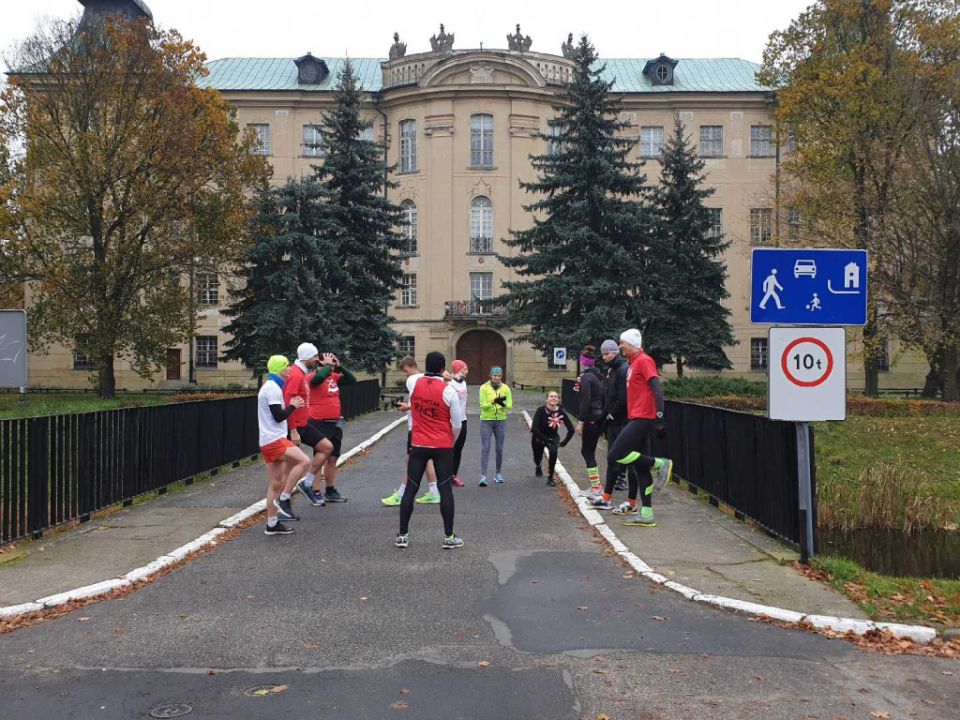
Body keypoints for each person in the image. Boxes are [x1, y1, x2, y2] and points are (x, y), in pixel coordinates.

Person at [603, 329, 673, 527]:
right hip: (636, 416)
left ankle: (660, 463)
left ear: (632, 344)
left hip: (643, 418)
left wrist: (660, 416)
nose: (620, 346)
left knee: (615, 454)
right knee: (640, 468)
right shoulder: (633, 364)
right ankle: (647, 514)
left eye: (622, 343)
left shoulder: (644, 360)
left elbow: (657, 387)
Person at [396, 351, 465, 549]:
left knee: (411, 489)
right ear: (443, 369)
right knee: (445, 490)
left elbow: (415, 385)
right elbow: (457, 423)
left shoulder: (414, 383)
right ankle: (449, 537)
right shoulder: (449, 390)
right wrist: (451, 440)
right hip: (442, 444)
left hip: (418, 443)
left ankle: (403, 535)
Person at [258, 355, 310, 536]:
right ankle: (286, 496)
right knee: (304, 461)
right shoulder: (272, 388)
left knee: (275, 484)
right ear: (280, 369)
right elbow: (279, 416)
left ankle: (272, 524)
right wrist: (293, 405)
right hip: (274, 439)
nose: (289, 369)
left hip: (268, 439)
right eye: (287, 366)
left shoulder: (272, 386)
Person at [296, 351, 356, 504]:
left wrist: (339, 367)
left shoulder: (334, 377)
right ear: (320, 363)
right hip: (318, 422)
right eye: (329, 361)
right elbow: (318, 379)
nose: (331, 365)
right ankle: (315, 490)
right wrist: (327, 366)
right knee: (320, 456)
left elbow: (352, 380)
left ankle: (330, 490)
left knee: (333, 458)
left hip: (334, 423)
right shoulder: (311, 377)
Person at [382, 356, 439, 506]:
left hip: (416, 427)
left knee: (411, 461)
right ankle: (434, 492)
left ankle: (401, 495)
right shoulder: (428, 378)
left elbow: (419, 402)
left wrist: (406, 407)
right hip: (427, 425)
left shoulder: (412, 380)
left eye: (405, 370)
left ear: (411, 366)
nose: (405, 374)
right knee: (425, 459)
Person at [278, 342, 322, 519]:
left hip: (303, 423)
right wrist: (293, 430)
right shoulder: (296, 374)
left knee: (326, 447)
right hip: (295, 426)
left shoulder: (301, 373)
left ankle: (303, 485)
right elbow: (289, 403)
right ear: (307, 357)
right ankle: (283, 501)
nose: (317, 359)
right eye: (315, 356)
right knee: (291, 465)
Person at [575, 345, 605, 493]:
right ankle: (596, 486)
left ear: (583, 362)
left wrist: (581, 422)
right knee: (589, 450)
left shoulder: (586, 378)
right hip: (599, 417)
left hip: (590, 418)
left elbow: (585, 401)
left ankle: (596, 487)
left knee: (587, 451)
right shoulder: (598, 377)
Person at [602, 337, 630, 493]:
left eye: (607, 354)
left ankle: (621, 478)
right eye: (603, 354)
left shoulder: (623, 369)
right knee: (612, 452)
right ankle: (613, 479)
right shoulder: (611, 369)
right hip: (612, 418)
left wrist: (612, 414)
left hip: (621, 419)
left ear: (615, 352)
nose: (604, 357)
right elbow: (609, 394)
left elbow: (623, 397)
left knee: (621, 450)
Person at [530, 390, 574, 486]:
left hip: (553, 437)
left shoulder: (561, 413)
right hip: (538, 437)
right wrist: (546, 440)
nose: (553, 398)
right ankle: (538, 466)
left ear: (558, 400)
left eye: (555, 396)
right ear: (546, 400)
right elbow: (534, 429)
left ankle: (550, 477)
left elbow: (571, 429)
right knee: (537, 457)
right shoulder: (540, 410)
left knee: (553, 452)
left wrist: (564, 442)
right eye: (551, 396)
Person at [478, 365, 512, 486]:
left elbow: (509, 405)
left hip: (500, 421)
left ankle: (498, 474)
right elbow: (483, 405)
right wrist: (494, 401)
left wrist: (500, 403)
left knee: (499, 448)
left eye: (499, 376)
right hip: (486, 420)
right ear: (490, 376)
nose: (497, 378)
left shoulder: (506, 388)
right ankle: (483, 476)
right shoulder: (484, 388)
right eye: (495, 375)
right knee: (485, 448)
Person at [448, 360, 469, 487]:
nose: (467, 371)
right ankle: (446, 475)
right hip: (451, 421)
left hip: (463, 419)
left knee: (458, 449)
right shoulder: (449, 383)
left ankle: (454, 475)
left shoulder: (464, 383)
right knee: (449, 449)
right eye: (464, 369)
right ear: (457, 370)